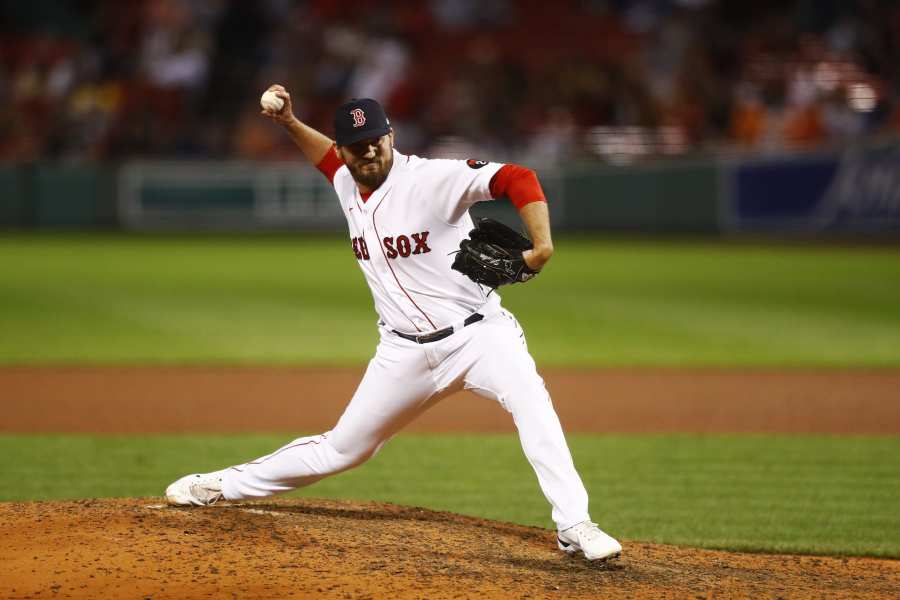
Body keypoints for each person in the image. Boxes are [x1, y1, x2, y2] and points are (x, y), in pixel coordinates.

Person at [165, 84, 622, 562]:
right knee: (343, 450)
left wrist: (541, 245)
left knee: (532, 404)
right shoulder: (345, 178)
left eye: (376, 141)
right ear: (344, 151)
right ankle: (221, 485)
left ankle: (575, 524)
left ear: (391, 136)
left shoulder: (431, 179)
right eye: (356, 147)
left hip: (479, 335)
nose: (369, 152)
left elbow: (517, 176)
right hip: (402, 352)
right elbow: (325, 159)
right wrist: (290, 124)